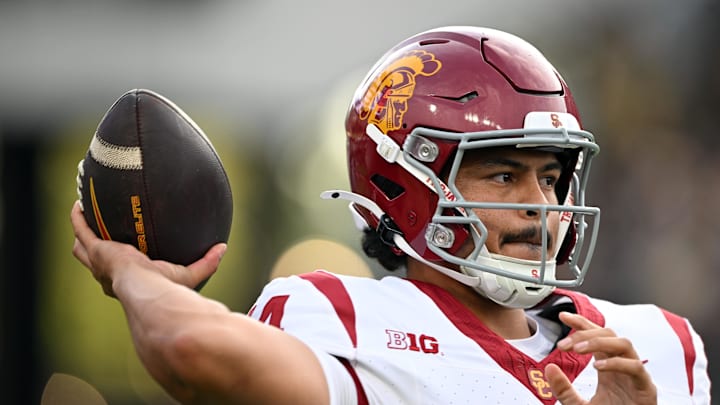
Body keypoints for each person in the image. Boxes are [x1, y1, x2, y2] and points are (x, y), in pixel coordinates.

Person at [71, 26, 711, 404]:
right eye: (505, 174)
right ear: (406, 184)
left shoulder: (661, 349)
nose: (541, 207)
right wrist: (135, 274)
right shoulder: (345, 322)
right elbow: (186, 345)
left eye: (551, 176)